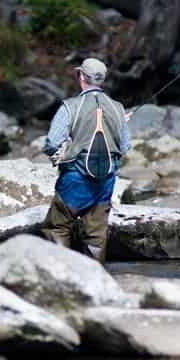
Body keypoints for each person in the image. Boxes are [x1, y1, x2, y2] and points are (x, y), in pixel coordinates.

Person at [41, 57, 131, 261]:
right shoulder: (117, 108)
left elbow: (52, 143)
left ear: (81, 76)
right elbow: (124, 147)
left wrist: (62, 152)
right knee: (96, 235)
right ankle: (94, 278)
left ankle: (60, 274)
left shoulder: (70, 107)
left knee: (57, 226)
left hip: (74, 180)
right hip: (105, 182)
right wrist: (118, 123)